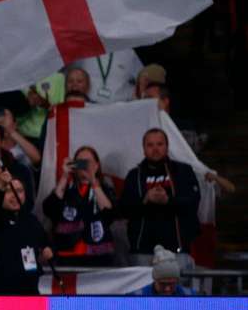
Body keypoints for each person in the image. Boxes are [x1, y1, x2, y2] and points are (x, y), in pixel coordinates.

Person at [121, 128, 200, 268]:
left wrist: (167, 200)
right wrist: (145, 200)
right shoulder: (134, 175)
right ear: (143, 149)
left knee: (178, 290)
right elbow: (124, 208)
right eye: (150, 145)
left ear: (167, 147)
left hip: (177, 251)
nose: (155, 149)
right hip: (142, 251)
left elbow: (193, 202)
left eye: (159, 144)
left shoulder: (183, 171)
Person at [42, 146, 116, 266]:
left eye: (89, 162)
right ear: (74, 166)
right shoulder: (66, 188)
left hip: (98, 257)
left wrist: (94, 182)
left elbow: (110, 215)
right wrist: (65, 176)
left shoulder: (105, 188)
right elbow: (49, 209)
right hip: (66, 255)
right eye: (81, 162)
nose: (85, 165)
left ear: (97, 166)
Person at [0, 179, 52, 295]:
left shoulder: (31, 221)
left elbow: (47, 245)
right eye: (9, 191)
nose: (15, 195)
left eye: (19, 191)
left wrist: (47, 252)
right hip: (2, 291)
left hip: (30, 289)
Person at [68, 49, 143, 105]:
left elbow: (143, 80)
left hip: (119, 110)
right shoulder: (84, 49)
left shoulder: (128, 52)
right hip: (88, 109)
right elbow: (69, 76)